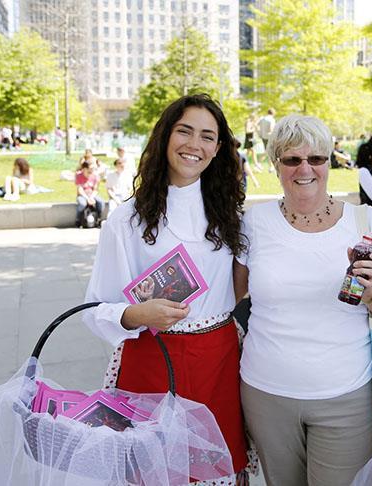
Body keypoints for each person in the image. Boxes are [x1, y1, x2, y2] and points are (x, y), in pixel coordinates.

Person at [83, 94, 249, 482]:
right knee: (156, 469)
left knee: (216, 468)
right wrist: (134, 314)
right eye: (185, 131)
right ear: (165, 136)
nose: (195, 145)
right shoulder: (127, 220)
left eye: (207, 136)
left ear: (218, 149)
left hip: (219, 358)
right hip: (152, 356)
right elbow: (95, 307)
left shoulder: (229, 216)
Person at [233, 114, 372, 486]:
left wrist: (369, 291)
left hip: (345, 394)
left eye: (316, 159)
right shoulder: (253, 223)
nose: (305, 168)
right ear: (277, 165)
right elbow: (228, 295)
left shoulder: (363, 220)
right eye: (292, 159)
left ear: (329, 162)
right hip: (266, 393)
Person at [74, 160, 104, 227]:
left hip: (92, 194)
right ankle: (78, 219)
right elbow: (80, 189)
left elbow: (95, 189)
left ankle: (98, 218)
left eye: (93, 168)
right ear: (84, 169)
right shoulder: (79, 175)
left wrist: (91, 197)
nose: (92, 170)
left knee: (101, 202)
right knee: (82, 204)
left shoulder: (95, 176)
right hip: (82, 195)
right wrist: (87, 198)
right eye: (90, 169)